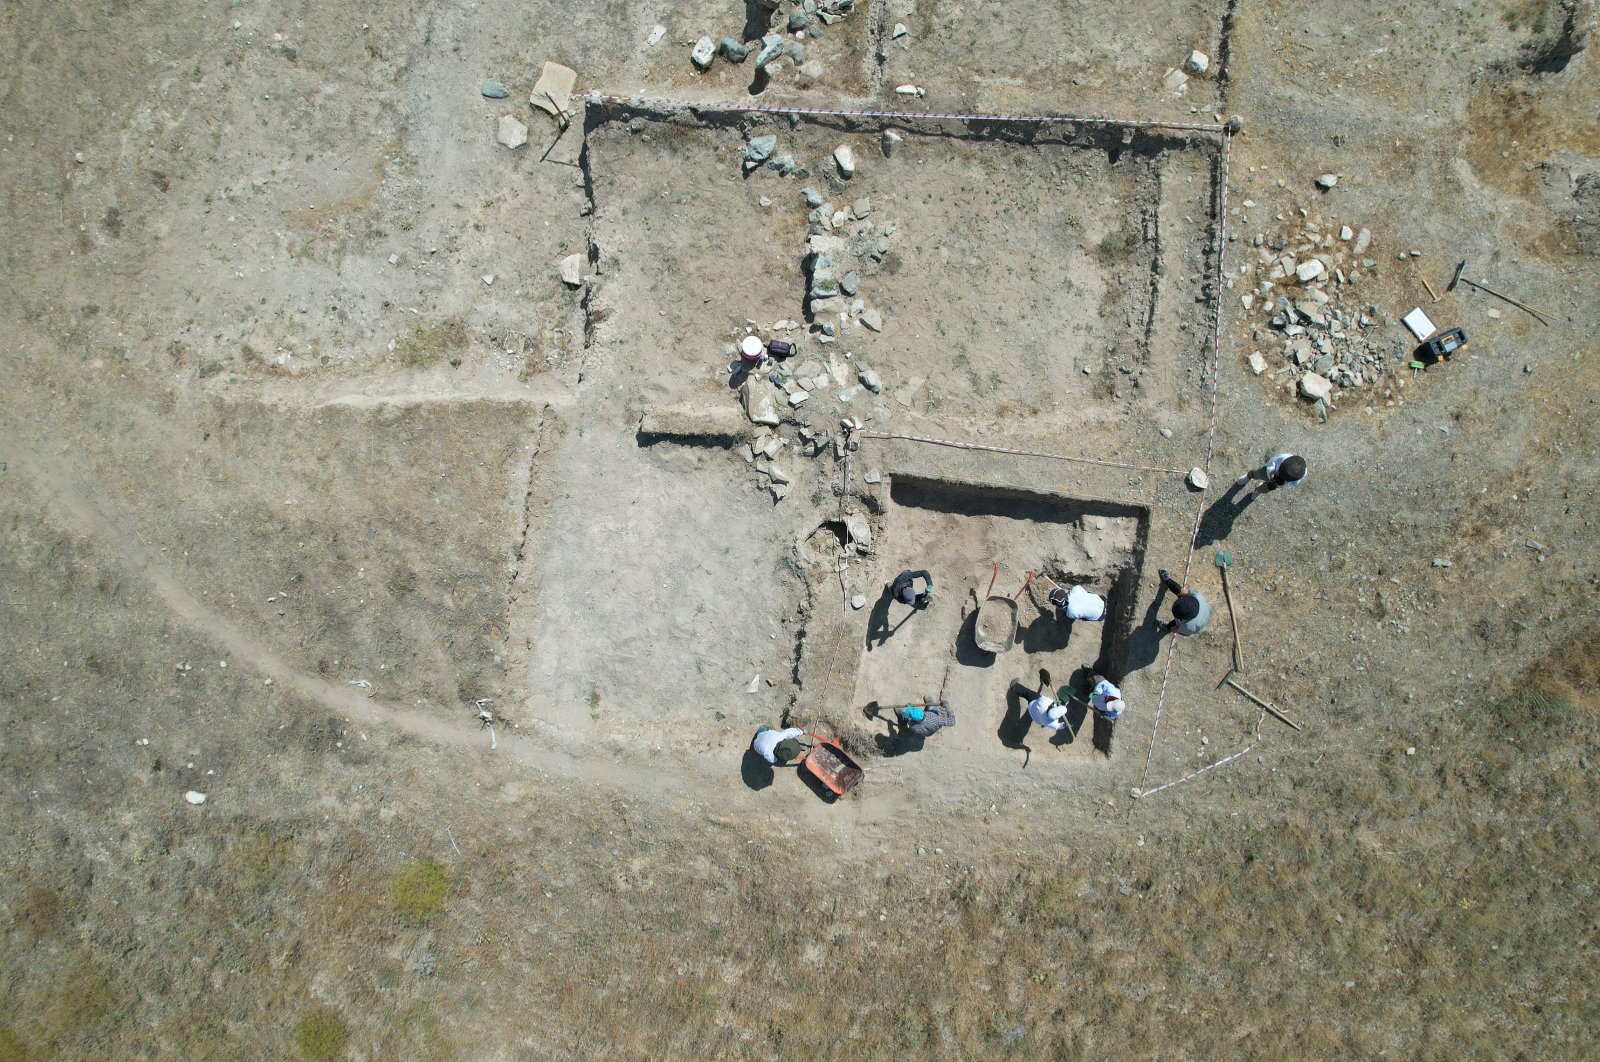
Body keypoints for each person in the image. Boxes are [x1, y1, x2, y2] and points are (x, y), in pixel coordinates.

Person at [1158, 568, 1210, 636]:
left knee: (1174, 626)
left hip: (1197, 625)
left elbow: (1176, 629)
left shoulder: (1188, 627)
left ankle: (1167, 627)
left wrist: (1174, 628)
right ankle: (1167, 580)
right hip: (1202, 612)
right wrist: (1183, 592)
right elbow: (1184, 592)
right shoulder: (1198, 596)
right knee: (1182, 591)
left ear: (1182, 618)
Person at [1235, 453, 1306, 497]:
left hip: (1277, 482)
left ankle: (1258, 491)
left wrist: (1281, 484)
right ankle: (1249, 476)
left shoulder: (1301, 475)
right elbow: (1272, 461)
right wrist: (1271, 472)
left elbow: (1293, 483)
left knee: (1266, 488)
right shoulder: (1284, 457)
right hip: (1267, 472)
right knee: (1256, 474)